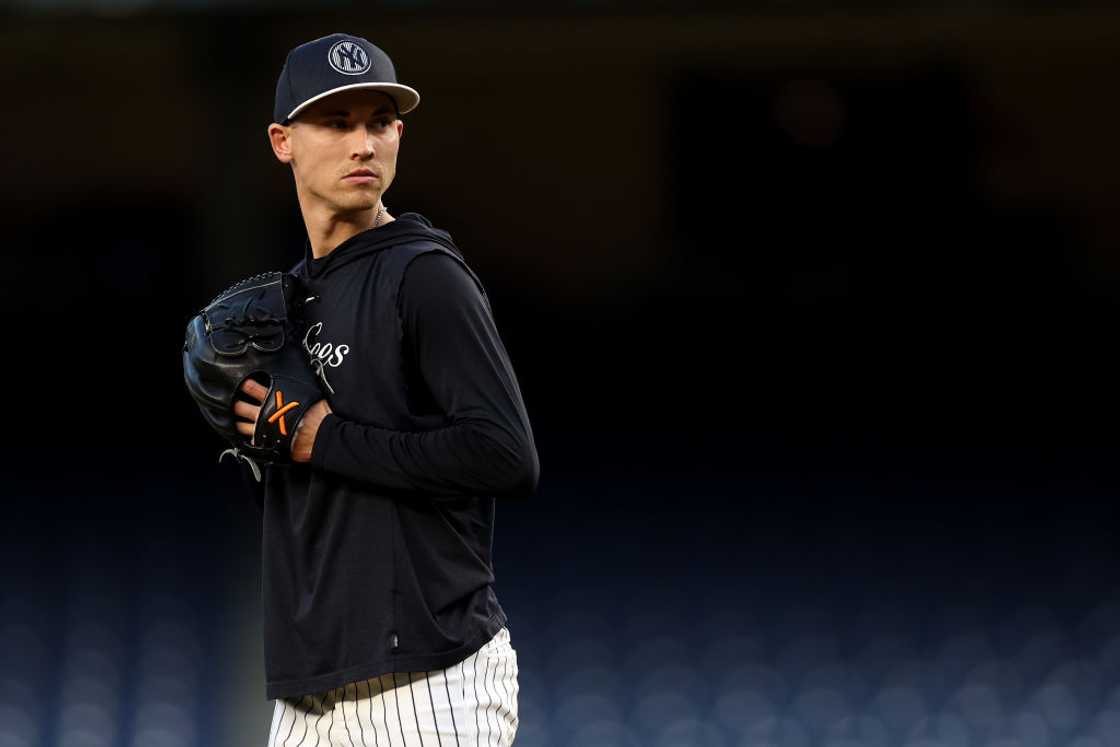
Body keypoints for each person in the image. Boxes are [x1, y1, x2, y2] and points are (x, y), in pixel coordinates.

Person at [231, 32, 539, 746]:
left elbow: (505, 454)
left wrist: (324, 438)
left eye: (379, 122)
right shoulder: (291, 299)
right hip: (308, 694)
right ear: (283, 142)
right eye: (336, 123)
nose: (362, 143)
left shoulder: (424, 273)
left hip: (428, 685)